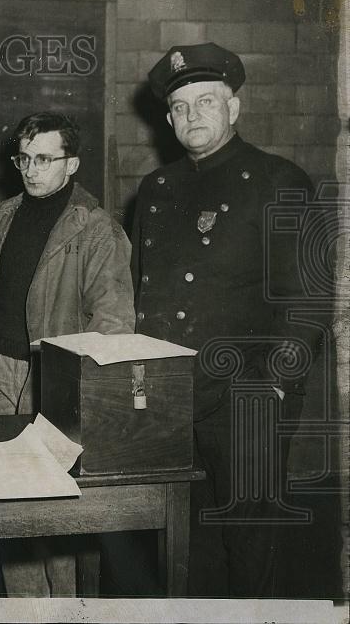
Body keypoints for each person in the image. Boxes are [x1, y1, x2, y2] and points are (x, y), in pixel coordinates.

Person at [132, 42, 322, 597]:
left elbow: (307, 298)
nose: (193, 116)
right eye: (181, 107)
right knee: (183, 544)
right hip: (172, 394)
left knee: (248, 542)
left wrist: (276, 384)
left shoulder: (277, 179)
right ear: (168, 119)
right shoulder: (157, 188)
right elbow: (145, 292)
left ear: (234, 108)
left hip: (247, 393)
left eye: (206, 102)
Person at [0, 111, 134, 596]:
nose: (31, 170)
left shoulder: (96, 230)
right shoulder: (1, 217)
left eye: (44, 159)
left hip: (56, 382)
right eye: (23, 158)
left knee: (58, 516)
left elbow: (112, 326)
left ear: (72, 164)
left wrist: (75, 392)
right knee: (10, 515)